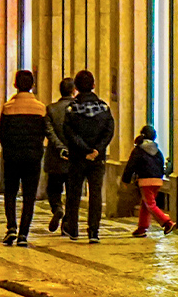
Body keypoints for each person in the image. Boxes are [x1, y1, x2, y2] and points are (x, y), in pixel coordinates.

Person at [60, 70, 115, 243]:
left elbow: (69, 132)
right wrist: (97, 149)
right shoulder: (103, 107)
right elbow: (109, 130)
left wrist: (84, 149)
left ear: (75, 87)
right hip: (97, 158)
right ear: (93, 85)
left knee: (74, 193)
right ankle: (94, 231)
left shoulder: (72, 109)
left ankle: (73, 229)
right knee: (96, 194)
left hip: (77, 158)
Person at [0, 70, 48, 246]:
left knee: (10, 193)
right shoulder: (40, 108)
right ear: (32, 85)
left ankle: (11, 226)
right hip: (33, 157)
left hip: (12, 157)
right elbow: (43, 132)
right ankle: (23, 234)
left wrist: (8, 150)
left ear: (15, 85)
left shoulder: (8, 108)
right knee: (29, 196)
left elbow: (2, 134)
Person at [123, 125, 175, 237]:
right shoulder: (157, 151)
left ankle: (167, 222)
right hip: (157, 180)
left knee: (150, 204)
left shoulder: (139, 150)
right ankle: (142, 228)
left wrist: (126, 180)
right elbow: (161, 166)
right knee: (146, 204)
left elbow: (131, 165)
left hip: (145, 180)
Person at [44, 77, 74, 232]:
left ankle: (57, 208)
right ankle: (67, 224)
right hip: (74, 158)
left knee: (53, 189)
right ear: (73, 91)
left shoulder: (51, 109)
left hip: (55, 157)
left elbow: (48, 132)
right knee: (72, 192)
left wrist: (60, 147)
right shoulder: (78, 108)